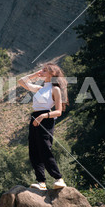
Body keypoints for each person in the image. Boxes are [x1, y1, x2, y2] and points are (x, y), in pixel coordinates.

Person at [17, 62, 69, 190]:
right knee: (33, 150)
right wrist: (35, 74)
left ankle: (59, 179)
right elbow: (21, 81)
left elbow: (59, 111)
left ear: (52, 74)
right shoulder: (40, 88)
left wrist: (43, 116)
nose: (42, 71)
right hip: (35, 118)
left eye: (45, 70)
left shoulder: (55, 89)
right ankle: (41, 182)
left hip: (46, 119)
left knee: (45, 149)